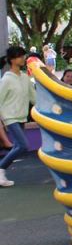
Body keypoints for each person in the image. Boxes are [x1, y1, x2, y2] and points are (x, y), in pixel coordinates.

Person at [0, 47, 36, 187]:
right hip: (10, 118)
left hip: (21, 117)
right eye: (20, 56)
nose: (23, 58)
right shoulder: (6, 79)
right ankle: (1, 168)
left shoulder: (25, 77)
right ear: (12, 59)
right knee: (23, 145)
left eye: (23, 56)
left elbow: (34, 98)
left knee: (18, 146)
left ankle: (1, 172)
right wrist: (3, 119)